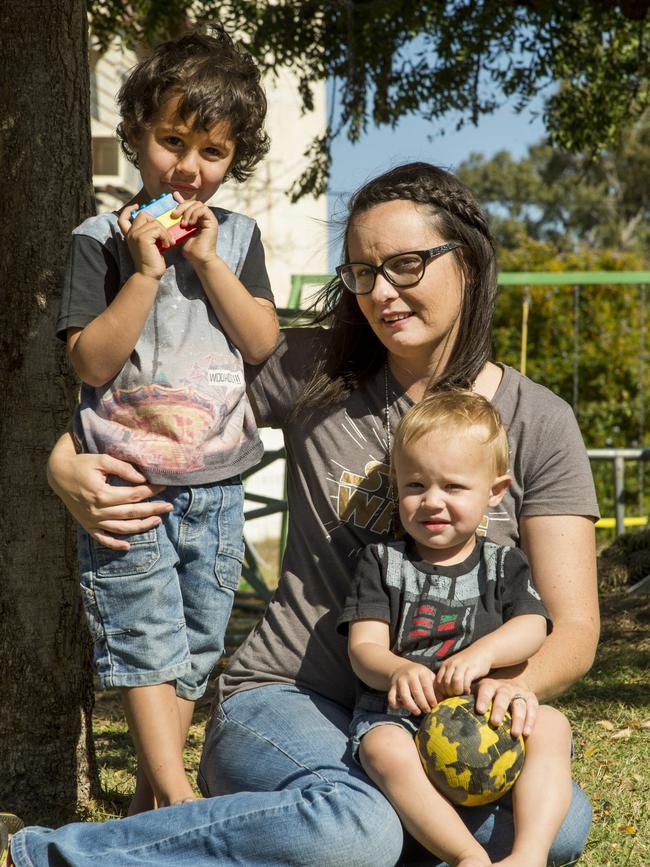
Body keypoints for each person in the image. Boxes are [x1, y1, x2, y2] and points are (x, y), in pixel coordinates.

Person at [8, 162, 599, 866]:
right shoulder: (314, 368)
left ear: (468, 261)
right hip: (288, 699)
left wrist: (514, 688)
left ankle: (327, 832)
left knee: (556, 826)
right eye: (361, 272)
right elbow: (158, 407)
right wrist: (62, 458)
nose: (382, 292)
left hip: (451, 716)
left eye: (407, 265)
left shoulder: (539, 421)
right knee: (359, 827)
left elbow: (577, 625)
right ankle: (46, 853)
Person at [55, 30, 278, 814]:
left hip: (216, 486)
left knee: (194, 649)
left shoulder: (240, 238)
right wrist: (148, 270)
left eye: (211, 152)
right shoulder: (98, 242)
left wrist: (210, 262)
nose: (188, 167)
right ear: (138, 134)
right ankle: (184, 804)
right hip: (127, 480)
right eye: (171, 141)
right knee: (144, 638)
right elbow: (91, 362)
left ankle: (154, 805)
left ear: (232, 160)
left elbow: (262, 343)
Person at [339, 390, 573, 867]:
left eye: (453, 487)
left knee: (553, 725)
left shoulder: (503, 563)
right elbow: (364, 647)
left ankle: (527, 855)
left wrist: (482, 655)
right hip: (402, 717)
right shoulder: (382, 563)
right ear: (396, 485)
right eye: (415, 486)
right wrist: (397, 671)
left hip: (489, 717)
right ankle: (467, 855)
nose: (432, 502)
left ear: (495, 491)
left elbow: (533, 625)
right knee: (381, 749)